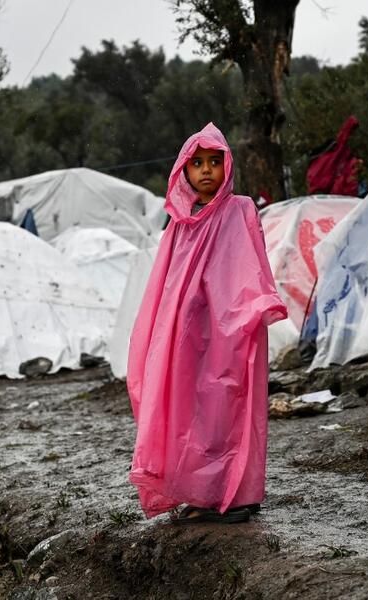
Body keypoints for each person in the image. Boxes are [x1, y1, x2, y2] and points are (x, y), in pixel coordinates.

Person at [127, 122, 288, 524]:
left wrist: (246, 311)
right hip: (188, 334)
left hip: (230, 327)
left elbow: (249, 266)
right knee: (189, 409)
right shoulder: (179, 223)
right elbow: (166, 285)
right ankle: (200, 491)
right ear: (183, 170)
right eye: (196, 163)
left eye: (214, 162)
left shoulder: (240, 210)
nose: (205, 171)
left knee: (227, 406)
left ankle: (237, 495)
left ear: (227, 165)